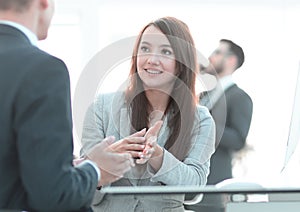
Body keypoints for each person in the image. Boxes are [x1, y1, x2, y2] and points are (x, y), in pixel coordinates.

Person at [0, 0, 134, 211]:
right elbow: (53, 196)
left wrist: (68, 167)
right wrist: (95, 169)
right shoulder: (42, 70)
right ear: (43, 3)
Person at [80, 16, 216, 212]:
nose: (152, 60)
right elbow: (81, 186)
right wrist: (109, 159)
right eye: (145, 49)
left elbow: (194, 186)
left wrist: (158, 156)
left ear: (181, 63)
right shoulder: (100, 107)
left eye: (166, 52)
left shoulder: (200, 120)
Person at [185, 39, 253, 212]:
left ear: (231, 60)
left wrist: (205, 124)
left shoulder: (240, 97)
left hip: (215, 185)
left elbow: (238, 139)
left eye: (217, 52)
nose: (210, 57)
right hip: (189, 181)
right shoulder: (202, 96)